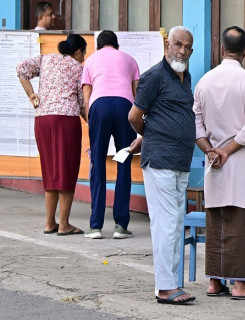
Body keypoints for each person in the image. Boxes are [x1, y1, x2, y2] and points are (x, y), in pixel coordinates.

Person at [193, 26, 245, 300]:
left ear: (222, 49)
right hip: (241, 163)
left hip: (214, 165)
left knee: (217, 222)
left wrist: (212, 150)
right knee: (242, 224)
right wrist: (227, 150)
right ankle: (240, 285)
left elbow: (196, 125)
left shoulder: (204, 81)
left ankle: (214, 282)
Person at [127, 26, 196, 305]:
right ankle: (165, 287)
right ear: (167, 43)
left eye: (187, 47)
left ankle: (172, 284)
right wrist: (150, 135)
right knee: (166, 224)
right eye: (178, 44)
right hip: (160, 160)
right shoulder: (153, 76)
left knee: (176, 223)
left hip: (180, 161)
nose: (182, 50)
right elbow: (134, 116)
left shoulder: (185, 76)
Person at [16, 34, 87, 235]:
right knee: (66, 169)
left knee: (50, 169)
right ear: (79, 51)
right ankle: (64, 224)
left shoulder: (45, 59)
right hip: (66, 121)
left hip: (43, 120)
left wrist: (31, 94)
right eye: (84, 53)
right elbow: (82, 104)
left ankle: (49, 223)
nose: (84, 57)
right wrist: (93, 121)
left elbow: (21, 69)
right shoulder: (79, 68)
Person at [81, 30, 140, 240]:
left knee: (98, 163)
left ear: (98, 46)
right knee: (123, 162)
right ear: (117, 46)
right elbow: (136, 94)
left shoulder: (91, 60)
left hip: (100, 106)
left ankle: (95, 226)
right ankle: (121, 226)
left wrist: (93, 125)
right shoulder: (129, 59)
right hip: (125, 106)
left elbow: (87, 99)